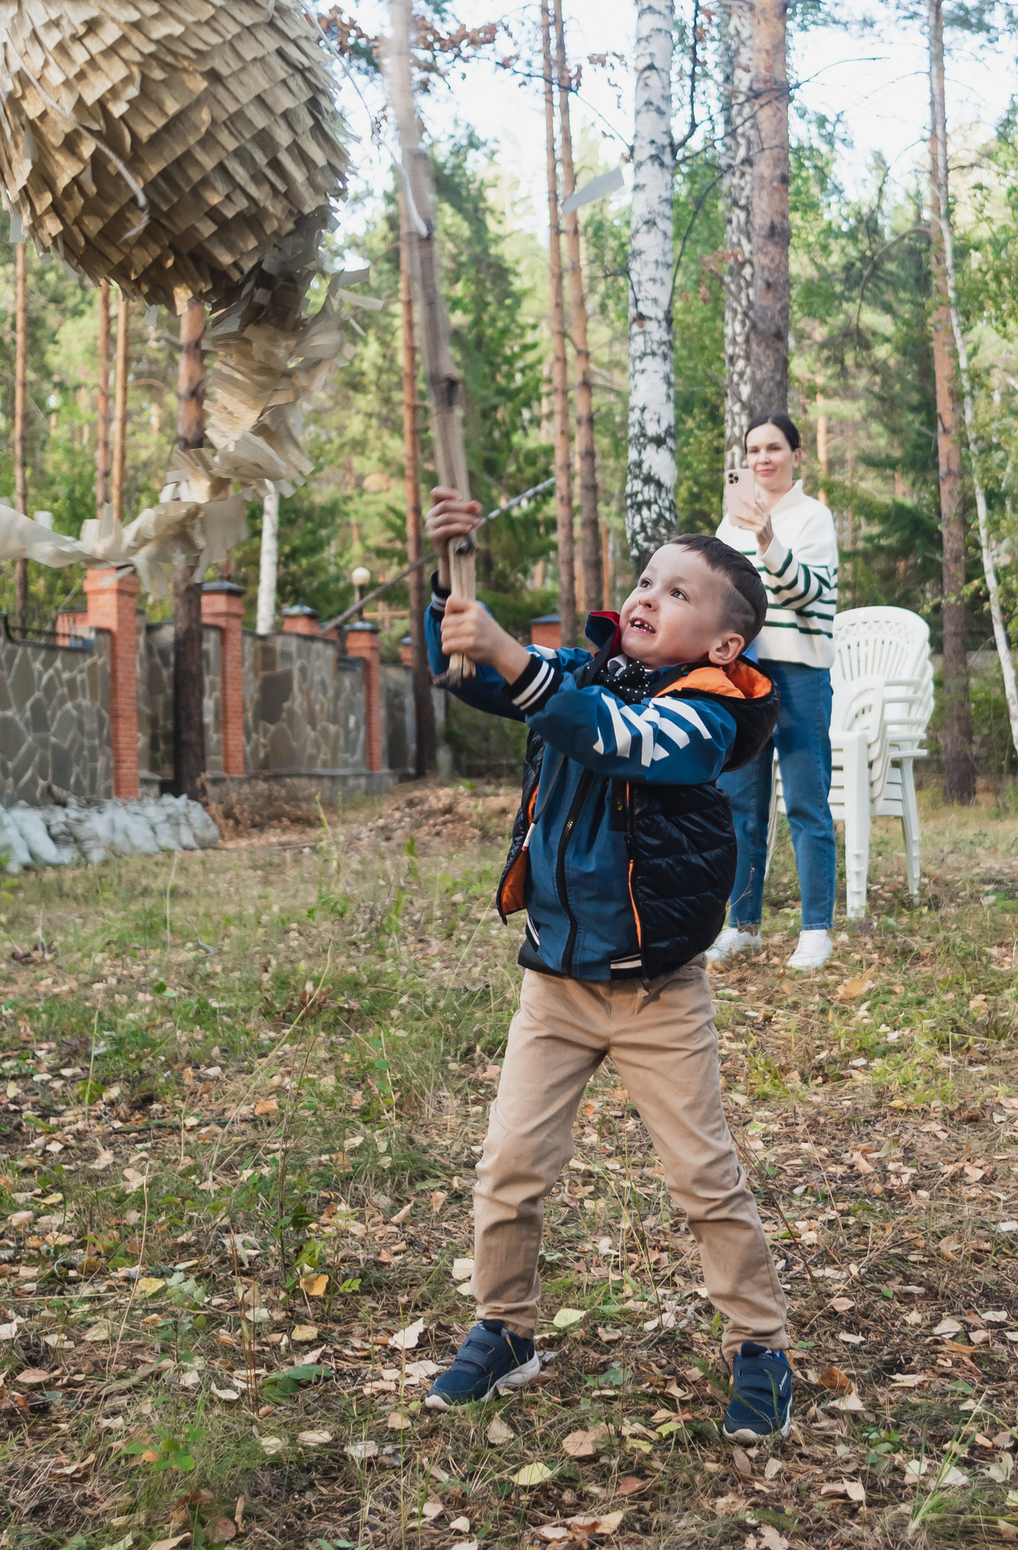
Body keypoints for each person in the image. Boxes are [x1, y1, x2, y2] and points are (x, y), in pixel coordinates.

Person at [414, 487, 797, 1441]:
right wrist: (450, 585)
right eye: (645, 581)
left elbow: (616, 739)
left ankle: (761, 1345)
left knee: (703, 1176)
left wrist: (515, 658)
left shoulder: (705, 714)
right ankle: (505, 1329)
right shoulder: (583, 671)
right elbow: (474, 670)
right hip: (555, 984)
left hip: (659, 992)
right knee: (508, 1166)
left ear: (721, 644)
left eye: (677, 592)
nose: (646, 597)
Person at [710, 412, 843, 972]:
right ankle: (742, 925)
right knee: (740, 803)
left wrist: (767, 540)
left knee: (807, 802)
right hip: (742, 673)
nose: (762, 459)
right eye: (753, 450)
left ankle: (816, 930)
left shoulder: (814, 518)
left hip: (799, 675)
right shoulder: (728, 524)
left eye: (773, 448)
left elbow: (811, 593)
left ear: (796, 455)